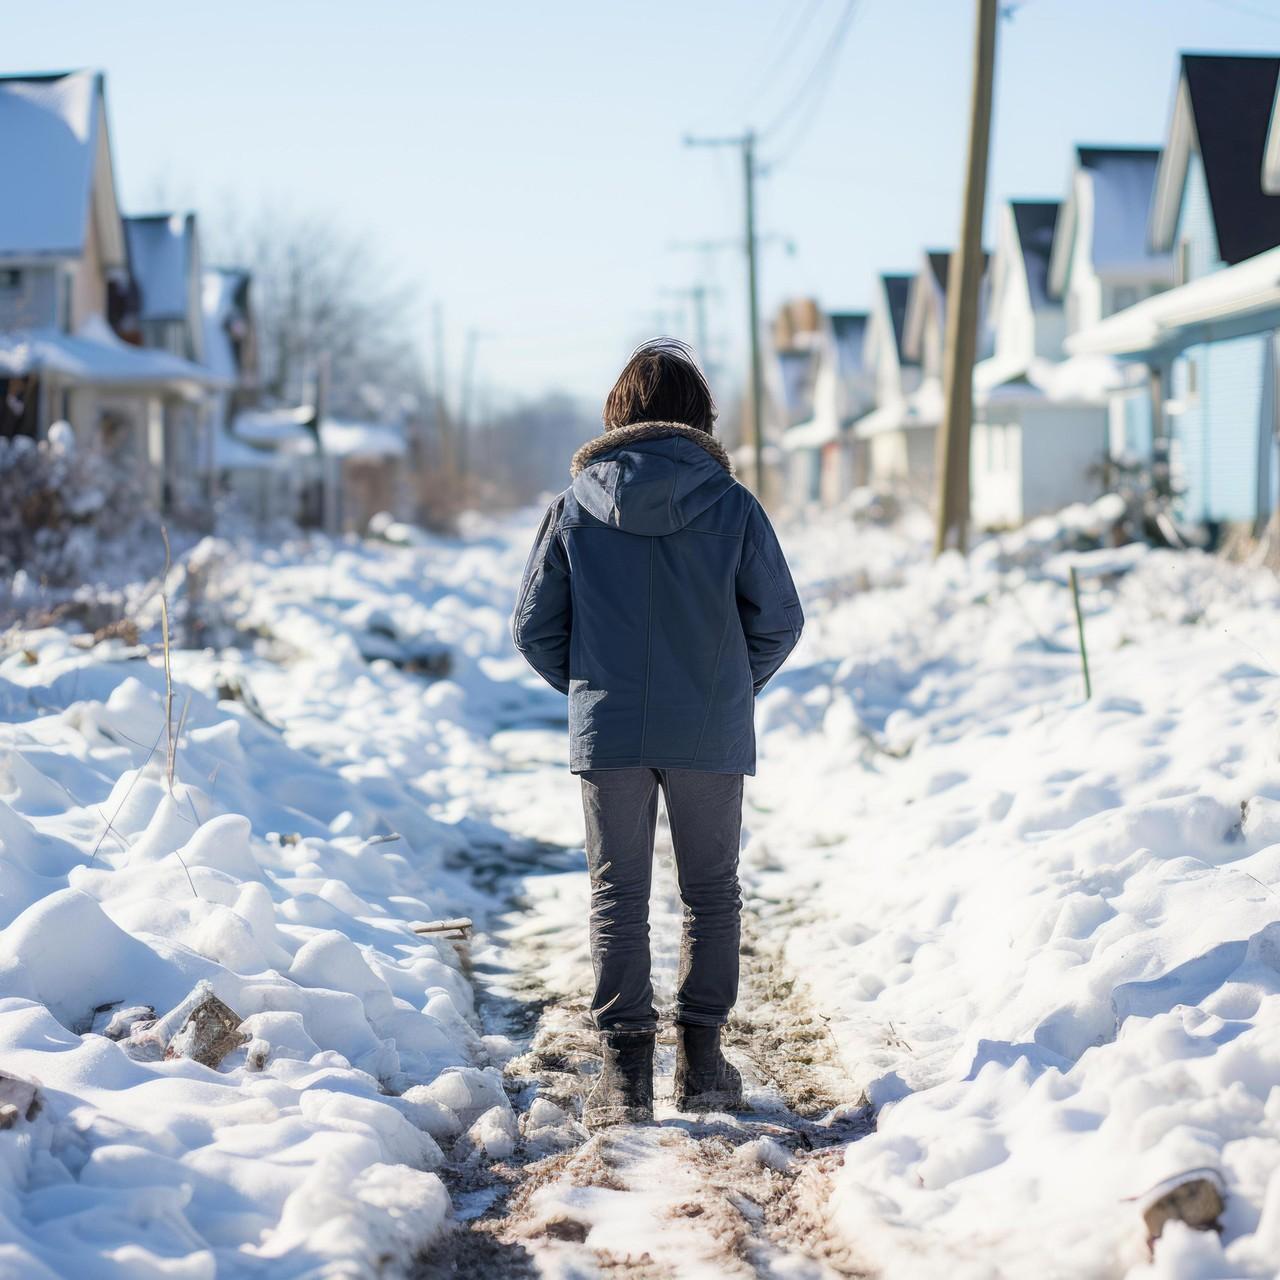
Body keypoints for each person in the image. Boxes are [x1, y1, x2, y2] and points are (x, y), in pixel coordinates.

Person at [511, 338, 804, 1128]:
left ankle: (625, 1078)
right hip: (710, 726)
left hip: (609, 733)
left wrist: (594, 691)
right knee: (711, 894)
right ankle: (704, 1067)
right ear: (698, 418)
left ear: (619, 413)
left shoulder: (575, 507)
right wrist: (728, 687)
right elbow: (779, 620)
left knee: (619, 897)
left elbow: (535, 630)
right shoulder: (734, 506)